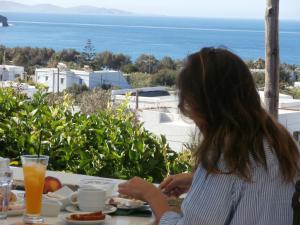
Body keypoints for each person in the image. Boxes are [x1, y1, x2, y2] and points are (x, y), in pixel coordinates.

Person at [118, 47, 300, 225]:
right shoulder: (280, 141)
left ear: (205, 107)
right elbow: (256, 190)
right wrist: (197, 180)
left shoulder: (227, 157)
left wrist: (151, 195)